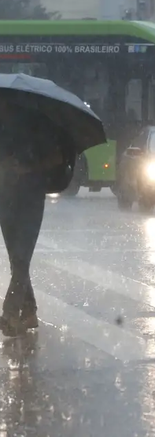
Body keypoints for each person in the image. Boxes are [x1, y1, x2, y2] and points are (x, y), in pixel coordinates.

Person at [0, 97, 66, 337]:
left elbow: (56, 158)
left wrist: (27, 168)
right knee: (17, 259)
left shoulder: (37, 126)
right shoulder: (2, 127)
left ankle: (9, 313)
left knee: (21, 257)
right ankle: (29, 312)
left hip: (30, 199)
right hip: (5, 199)